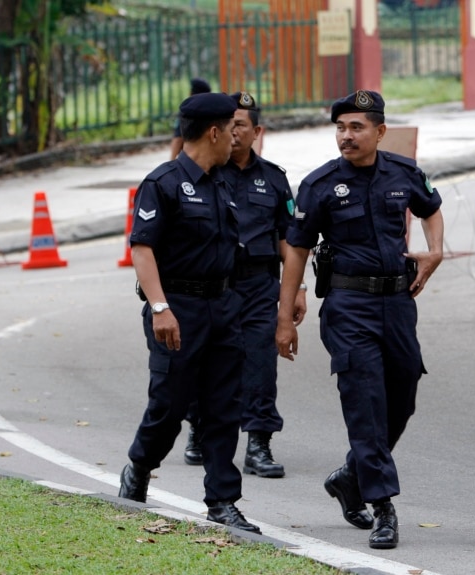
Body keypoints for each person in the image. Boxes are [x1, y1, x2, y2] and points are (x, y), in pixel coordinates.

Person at [275, 90, 444, 550]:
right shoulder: (320, 184)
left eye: (356, 128)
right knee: (365, 399)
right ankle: (383, 506)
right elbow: (297, 250)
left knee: (403, 393)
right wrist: (285, 315)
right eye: (341, 128)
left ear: (380, 131)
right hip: (349, 305)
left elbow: (431, 208)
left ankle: (352, 474)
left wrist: (436, 250)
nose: (346, 137)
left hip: (397, 302)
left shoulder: (403, 173)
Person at [117, 91, 261, 534]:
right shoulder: (163, 183)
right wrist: (160, 308)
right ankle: (139, 468)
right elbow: (142, 248)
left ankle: (222, 501)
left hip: (221, 305)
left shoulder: (221, 182)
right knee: (170, 404)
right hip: (177, 308)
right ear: (214, 132)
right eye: (233, 129)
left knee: (224, 406)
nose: (239, 137)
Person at [183, 91, 305, 477]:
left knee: (260, 363)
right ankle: (199, 429)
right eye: (228, 124)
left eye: (241, 125)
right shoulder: (200, 175)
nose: (233, 132)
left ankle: (258, 443)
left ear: (257, 131)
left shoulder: (273, 179)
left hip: (257, 286)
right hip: (212, 285)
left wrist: (297, 288)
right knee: (205, 361)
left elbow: (291, 240)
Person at [169, 77, 211, 161]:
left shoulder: (187, 111)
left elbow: (178, 139)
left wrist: (171, 162)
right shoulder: (213, 110)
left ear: (191, 93)